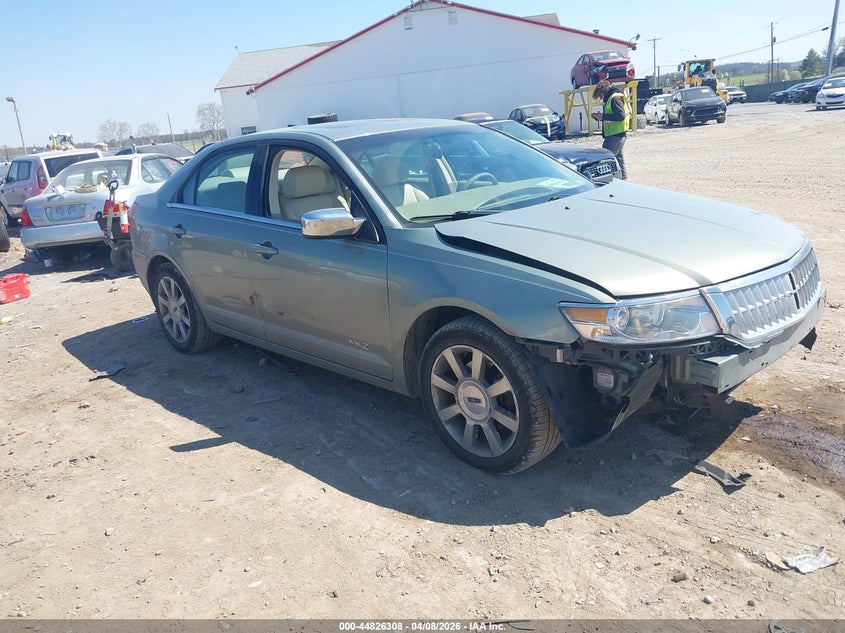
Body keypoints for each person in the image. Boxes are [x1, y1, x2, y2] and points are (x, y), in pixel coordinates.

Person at [591, 80, 630, 180]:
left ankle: (607, 181)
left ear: (603, 91)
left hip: (615, 135)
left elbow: (620, 116)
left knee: (605, 158)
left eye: (600, 96)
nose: (601, 98)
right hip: (616, 134)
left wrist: (603, 116)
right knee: (618, 159)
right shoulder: (612, 98)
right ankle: (624, 180)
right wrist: (599, 117)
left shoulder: (614, 98)